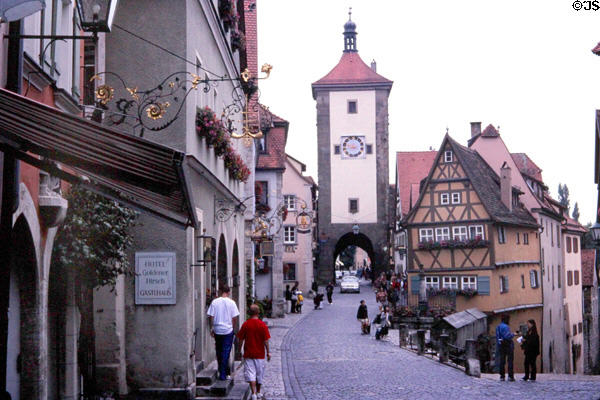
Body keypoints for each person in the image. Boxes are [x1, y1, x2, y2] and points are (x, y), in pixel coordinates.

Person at [237, 304, 271, 400]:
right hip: (260, 354)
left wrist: (239, 351)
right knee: (259, 374)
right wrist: (268, 352)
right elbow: (266, 340)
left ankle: (253, 393)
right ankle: (259, 392)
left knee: (251, 373)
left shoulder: (246, 324)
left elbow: (240, 339)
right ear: (258, 313)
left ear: (249, 313)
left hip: (249, 353)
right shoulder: (262, 325)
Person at [207, 285, 240, 380]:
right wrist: (232, 328)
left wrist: (212, 328)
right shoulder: (232, 303)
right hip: (227, 330)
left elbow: (211, 316)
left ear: (220, 291)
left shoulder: (215, 302)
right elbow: (234, 318)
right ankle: (223, 373)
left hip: (217, 329)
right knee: (226, 351)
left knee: (218, 350)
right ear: (229, 292)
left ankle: (221, 370)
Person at [495, 314, 515, 381]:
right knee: (510, 361)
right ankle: (510, 376)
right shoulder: (506, 327)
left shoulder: (498, 327)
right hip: (508, 345)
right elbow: (507, 336)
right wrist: (513, 334)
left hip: (501, 345)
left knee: (502, 361)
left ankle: (502, 376)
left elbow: (498, 337)